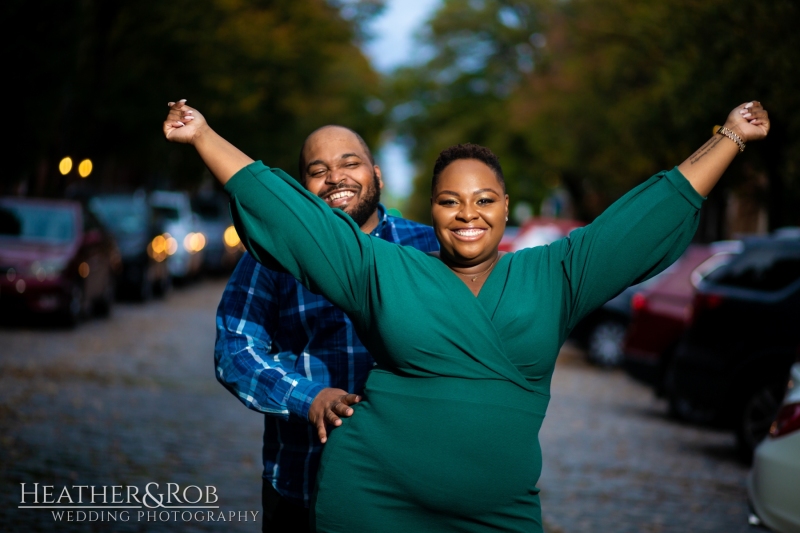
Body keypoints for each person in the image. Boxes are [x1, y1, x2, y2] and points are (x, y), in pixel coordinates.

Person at [163, 99, 769, 532]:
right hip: (370, 502)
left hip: (499, 515)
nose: (467, 213)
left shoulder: (554, 274)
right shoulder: (383, 267)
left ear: (506, 209)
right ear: (432, 209)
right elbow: (295, 221)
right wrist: (204, 136)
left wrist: (731, 138)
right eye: (450, 200)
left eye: (483, 200)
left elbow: (640, 223)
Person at [214, 124, 439, 532]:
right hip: (302, 486)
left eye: (349, 163)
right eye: (318, 171)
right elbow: (235, 349)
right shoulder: (273, 253)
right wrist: (308, 398)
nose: (335, 177)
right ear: (302, 189)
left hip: (411, 489)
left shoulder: (429, 247)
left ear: (378, 175)